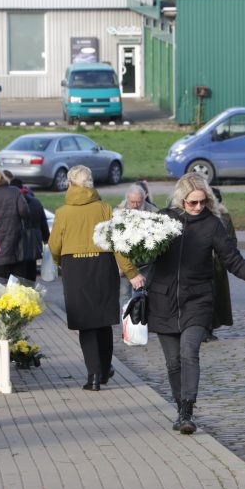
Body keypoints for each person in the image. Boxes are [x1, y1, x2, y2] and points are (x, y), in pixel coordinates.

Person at [148, 173, 245, 435]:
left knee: (189, 352)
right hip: (163, 299)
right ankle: (180, 405)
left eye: (202, 202)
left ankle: (187, 412)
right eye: (192, 203)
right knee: (172, 363)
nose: (198, 207)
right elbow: (141, 250)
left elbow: (234, 261)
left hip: (197, 299)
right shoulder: (164, 218)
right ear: (181, 199)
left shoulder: (212, 225)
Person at [49, 165, 145, 391]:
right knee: (102, 321)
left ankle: (93, 375)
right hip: (102, 266)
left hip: (75, 268)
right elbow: (118, 244)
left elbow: (54, 245)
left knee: (86, 324)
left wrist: (60, 262)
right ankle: (104, 368)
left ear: (69, 184)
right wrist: (131, 272)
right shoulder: (104, 208)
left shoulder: (62, 212)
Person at [0, 169, 30, 285]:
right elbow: (25, 211)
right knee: (18, 281)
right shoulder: (14, 192)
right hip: (16, 241)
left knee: (1, 281)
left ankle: (2, 302)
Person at [116, 184, 159, 305]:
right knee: (125, 296)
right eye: (132, 202)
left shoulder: (154, 213)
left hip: (146, 264)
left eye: (138, 202)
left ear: (144, 198)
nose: (135, 205)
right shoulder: (117, 212)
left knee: (141, 296)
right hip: (125, 264)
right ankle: (126, 322)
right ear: (127, 198)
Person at [206, 187, 236, 341]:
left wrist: (226, 257)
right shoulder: (201, 216)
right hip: (202, 264)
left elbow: (232, 240)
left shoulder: (224, 216)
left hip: (218, 265)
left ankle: (210, 328)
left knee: (216, 297)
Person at [10, 178, 50, 282]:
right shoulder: (36, 202)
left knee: (19, 275)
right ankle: (31, 294)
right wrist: (46, 238)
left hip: (18, 245)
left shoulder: (13, 203)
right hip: (34, 243)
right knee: (31, 272)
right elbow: (43, 222)